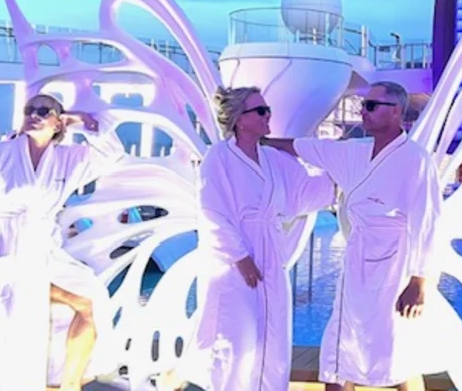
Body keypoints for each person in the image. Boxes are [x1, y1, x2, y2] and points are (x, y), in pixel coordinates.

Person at [264, 81, 442, 391]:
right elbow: (300, 146)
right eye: (364, 106)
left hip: (396, 267)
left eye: (372, 106)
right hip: (357, 265)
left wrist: (419, 282)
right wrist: (259, 139)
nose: (364, 112)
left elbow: (428, 222)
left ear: (396, 112)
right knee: (339, 350)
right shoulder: (352, 152)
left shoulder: (416, 160)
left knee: (400, 350)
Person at [0, 93, 126, 391]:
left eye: (45, 110)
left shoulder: (68, 158)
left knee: (89, 300)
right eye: (30, 109)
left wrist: (78, 120)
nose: (35, 114)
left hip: (43, 251)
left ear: (58, 122)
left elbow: (110, 152)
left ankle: (70, 384)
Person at [160, 86, 335, 391]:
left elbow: (302, 193)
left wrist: (340, 172)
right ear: (240, 119)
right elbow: (212, 212)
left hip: (270, 253)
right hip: (233, 260)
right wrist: (240, 257)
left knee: (271, 332)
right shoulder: (219, 158)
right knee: (234, 337)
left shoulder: (274, 158)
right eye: (261, 111)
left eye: (268, 110)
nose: (269, 116)